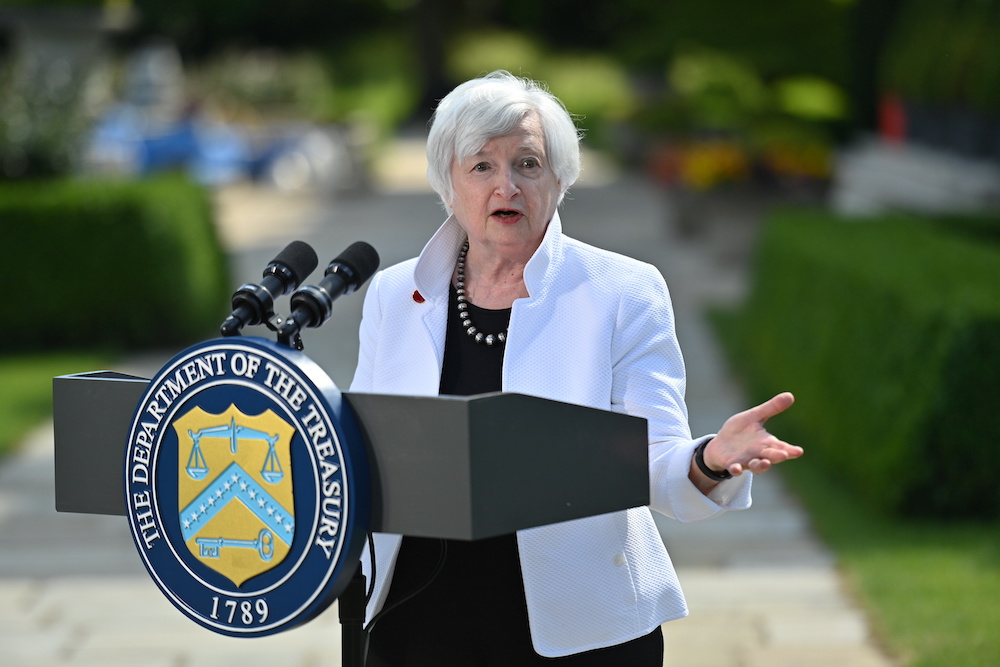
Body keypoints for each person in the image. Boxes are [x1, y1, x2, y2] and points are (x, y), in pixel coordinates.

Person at [349, 70, 802, 665]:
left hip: (580, 624)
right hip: (418, 616)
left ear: (559, 179)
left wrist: (709, 459)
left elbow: (653, 456)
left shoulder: (623, 291)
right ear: (448, 183)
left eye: (528, 164)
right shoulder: (393, 294)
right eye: (481, 166)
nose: (505, 185)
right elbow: (359, 447)